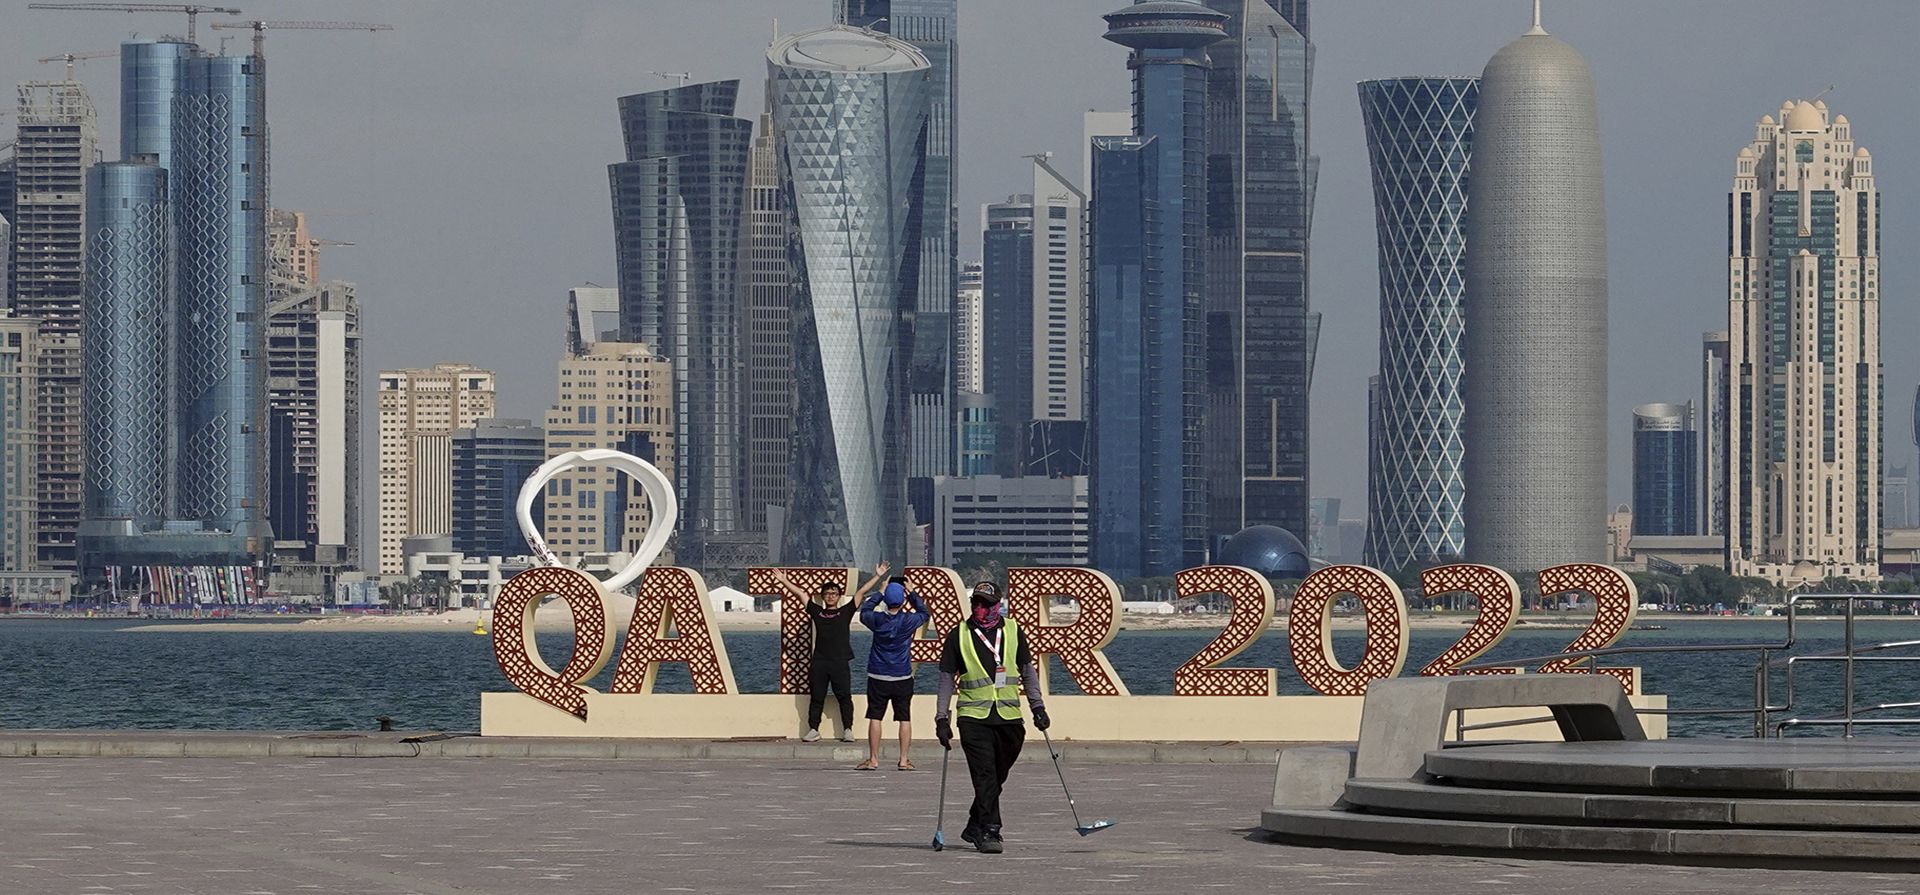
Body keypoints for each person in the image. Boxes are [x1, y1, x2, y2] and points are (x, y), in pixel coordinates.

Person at [934, 579, 1048, 854]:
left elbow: (1027, 669)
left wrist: (1037, 706)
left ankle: (974, 824)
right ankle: (990, 830)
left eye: (986, 603)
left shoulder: (1012, 630)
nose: (980, 608)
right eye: (976, 602)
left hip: (1009, 716)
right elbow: (947, 678)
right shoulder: (958, 634)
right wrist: (941, 718)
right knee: (984, 774)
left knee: (997, 776)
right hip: (973, 716)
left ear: (998, 605)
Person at [771, 563, 885, 743]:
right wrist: (784, 581)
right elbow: (801, 594)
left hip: (840, 661)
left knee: (844, 697)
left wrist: (877, 576)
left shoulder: (845, 611)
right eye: (827, 594)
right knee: (817, 697)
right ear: (823, 597)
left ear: (839, 596)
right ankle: (813, 729)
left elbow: (860, 593)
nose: (831, 596)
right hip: (819, 662)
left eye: (834, 593)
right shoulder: (817, 612)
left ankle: (848, 729)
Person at [857, 571, 925, 770]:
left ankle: (874, 759)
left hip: (878, 674)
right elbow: (924, 612)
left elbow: (865, 609)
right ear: (902, 600)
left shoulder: (876, 619)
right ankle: (904, 759)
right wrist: (912, 593)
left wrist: (880, 591)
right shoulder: (908, 621)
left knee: (875, 717)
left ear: (886, 600)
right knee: (904, 717)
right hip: (902, 675)